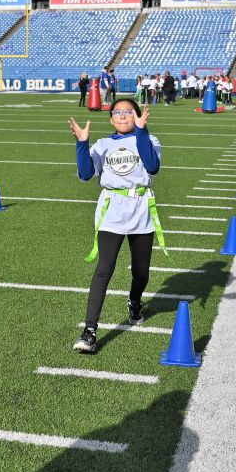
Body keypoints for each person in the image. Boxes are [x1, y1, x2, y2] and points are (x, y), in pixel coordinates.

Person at [67, 98, 163, 354]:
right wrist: (81, 143)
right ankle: (89, 331)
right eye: (117, 112)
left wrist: (141, 132)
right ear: (111, 119)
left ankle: (134, 302)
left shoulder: (150, 140)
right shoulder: (103, 145)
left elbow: (152, 166)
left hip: (141, 209)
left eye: (128, 112)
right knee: (104, 268)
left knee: (141, 272)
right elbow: (86, 173)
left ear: (138, 116)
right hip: (112, 211)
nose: (122, 116)